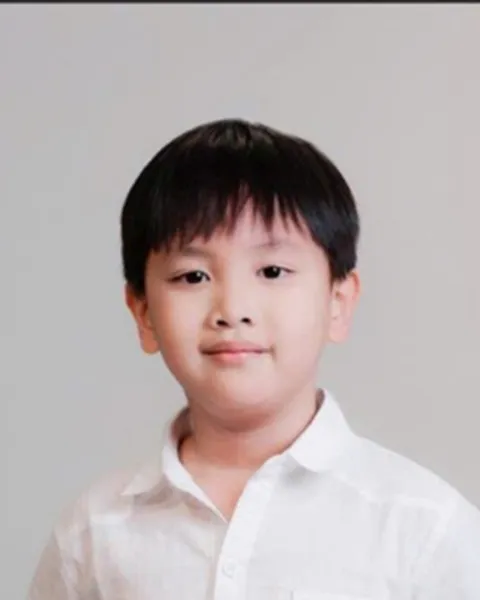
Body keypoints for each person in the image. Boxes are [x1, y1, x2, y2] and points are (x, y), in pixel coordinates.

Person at [27, 119, 480, 600]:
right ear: (143, 313)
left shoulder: (424, 529)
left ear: (338, 302)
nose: (233, 309)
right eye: (192, 276)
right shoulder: (94, 533)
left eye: (272, 271)